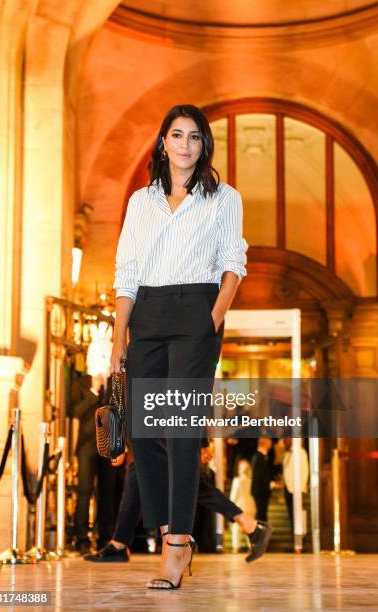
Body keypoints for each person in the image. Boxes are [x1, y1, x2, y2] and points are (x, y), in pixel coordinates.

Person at [111, 104, 271, 589]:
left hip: (196, 311)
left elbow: (233, 262)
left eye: (194, 137)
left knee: (181, 431)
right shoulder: (141, 202)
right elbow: (127, 271)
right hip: (147, 313)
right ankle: (166, 529)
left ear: (204, 147)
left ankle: (176, 546)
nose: (184, 144)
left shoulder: (223, 198)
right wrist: (119, 335)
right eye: (176, 135)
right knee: (144, 431)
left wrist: (212, 317)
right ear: (163, 142)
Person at [84, 446, 270, 564]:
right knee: (139, 472)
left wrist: (202, 442)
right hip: (155, 425)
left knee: (189, 484)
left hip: (164, 426)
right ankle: (119, 543)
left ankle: (249, 524)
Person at [70, 336, 125, 553]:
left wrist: (121, 447)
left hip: (109, 446)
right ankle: (81, 539)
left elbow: (121, 414)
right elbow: (74, 411)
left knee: (108, 493)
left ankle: (105, 539)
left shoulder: (117, 384)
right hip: (86, 446)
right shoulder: (81, 383)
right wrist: (93, 391)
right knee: (83, 491)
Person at [282, 438, 309, 535]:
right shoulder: (287, 453)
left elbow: (305, 471)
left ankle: (300, 539)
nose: (284, 441)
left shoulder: (301, 452)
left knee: (298, 515)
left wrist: (300, 489)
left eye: (286, 439)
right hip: (288, 488)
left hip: (297, 490)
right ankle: (294, 540)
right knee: (291, 515)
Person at [251, 437, 281, 522]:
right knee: (261, 516)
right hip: (260, 492)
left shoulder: (260, 457)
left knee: (262, 515)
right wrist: (272, 484)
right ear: (267, 444)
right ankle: (260, 534)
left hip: (261, 491)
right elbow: (259, 477)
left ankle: (262, 533)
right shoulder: (259, 458)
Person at [230, 458, 256, 552]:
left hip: (239, 506)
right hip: (250, 505)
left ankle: (236, 546)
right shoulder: (251, 481)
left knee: (236, 527)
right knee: (249, 526)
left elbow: (233, 496)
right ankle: (251, 545)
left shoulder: (237, 481)